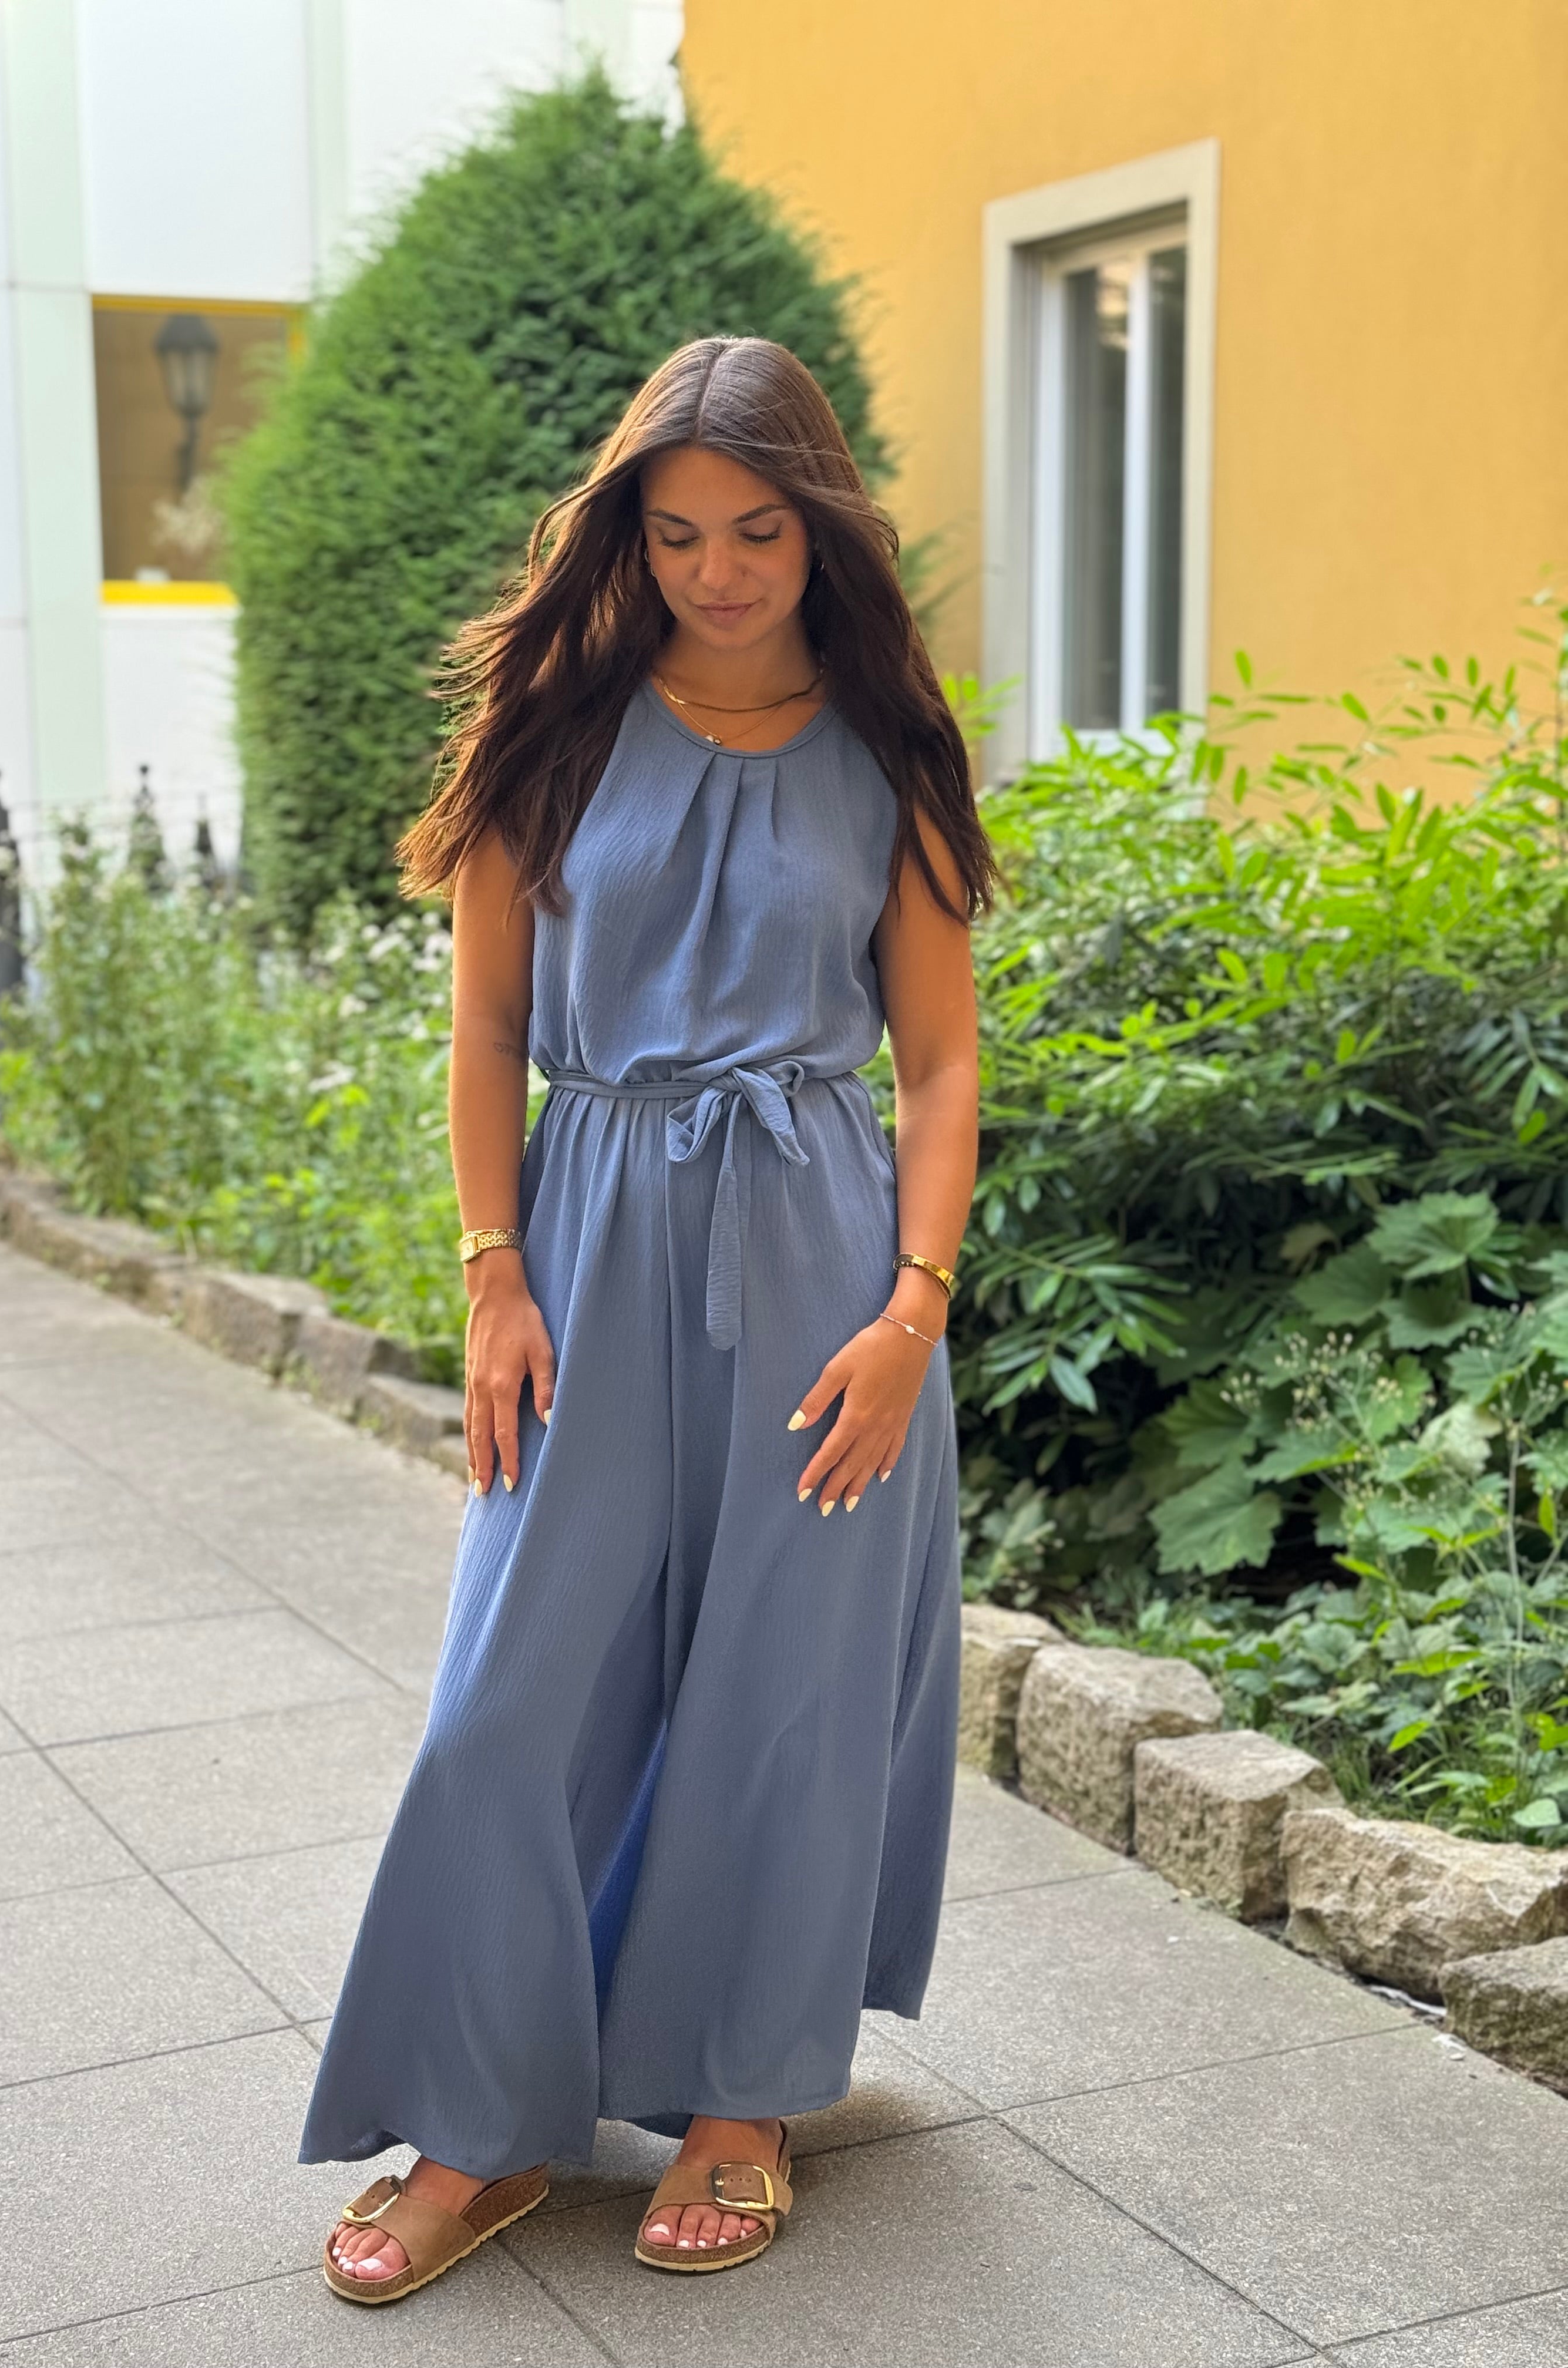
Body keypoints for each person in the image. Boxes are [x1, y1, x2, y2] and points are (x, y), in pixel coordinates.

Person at [308, 334, 992, 2304]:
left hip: (824, 1265)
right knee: (501, 1706)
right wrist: (491, 1270)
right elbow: (488, 1029)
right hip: (587, 1246)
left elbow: (940, 1062)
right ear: (630, 535)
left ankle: (740, 2103)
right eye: (679, 532)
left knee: (785, 1697)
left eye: (758, 529)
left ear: (821, 528)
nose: (718, 570)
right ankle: (483, 2121)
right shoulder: (559, 734)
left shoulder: (890, 755)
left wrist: (912, 1313)